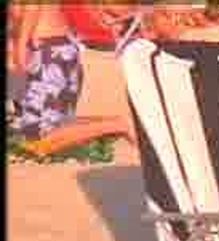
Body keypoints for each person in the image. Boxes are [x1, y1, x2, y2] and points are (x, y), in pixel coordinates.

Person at [7, 1, 135, 157]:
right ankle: (116, 124)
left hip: (47, 50)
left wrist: (21, 45)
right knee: (57, 126)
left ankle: (118, 124)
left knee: (36, 138)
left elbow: (32, 6)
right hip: (58, 47)